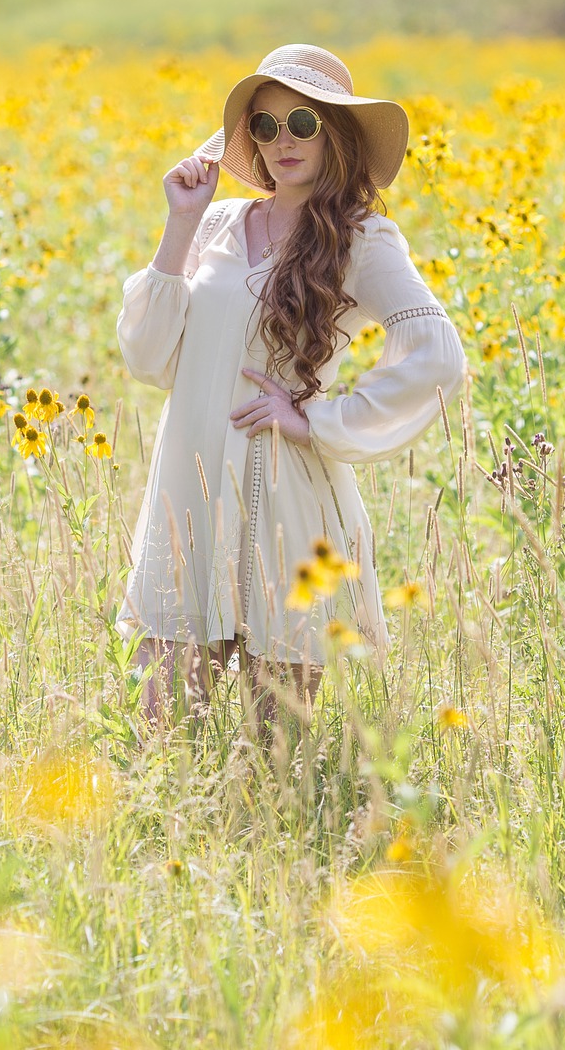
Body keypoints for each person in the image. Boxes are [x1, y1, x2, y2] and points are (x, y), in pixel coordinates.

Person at [115, 43, 467, 732]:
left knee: (274, 746)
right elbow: (149, 357)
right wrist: (179, 221)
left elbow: (437, 353)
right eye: (265, 127)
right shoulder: (214, 223)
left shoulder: (363, 239)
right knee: (157, 725)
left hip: (282, 498)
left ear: (334, 131)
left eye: (301, 123)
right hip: (187, 494)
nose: (282, 142)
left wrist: (319, 421)